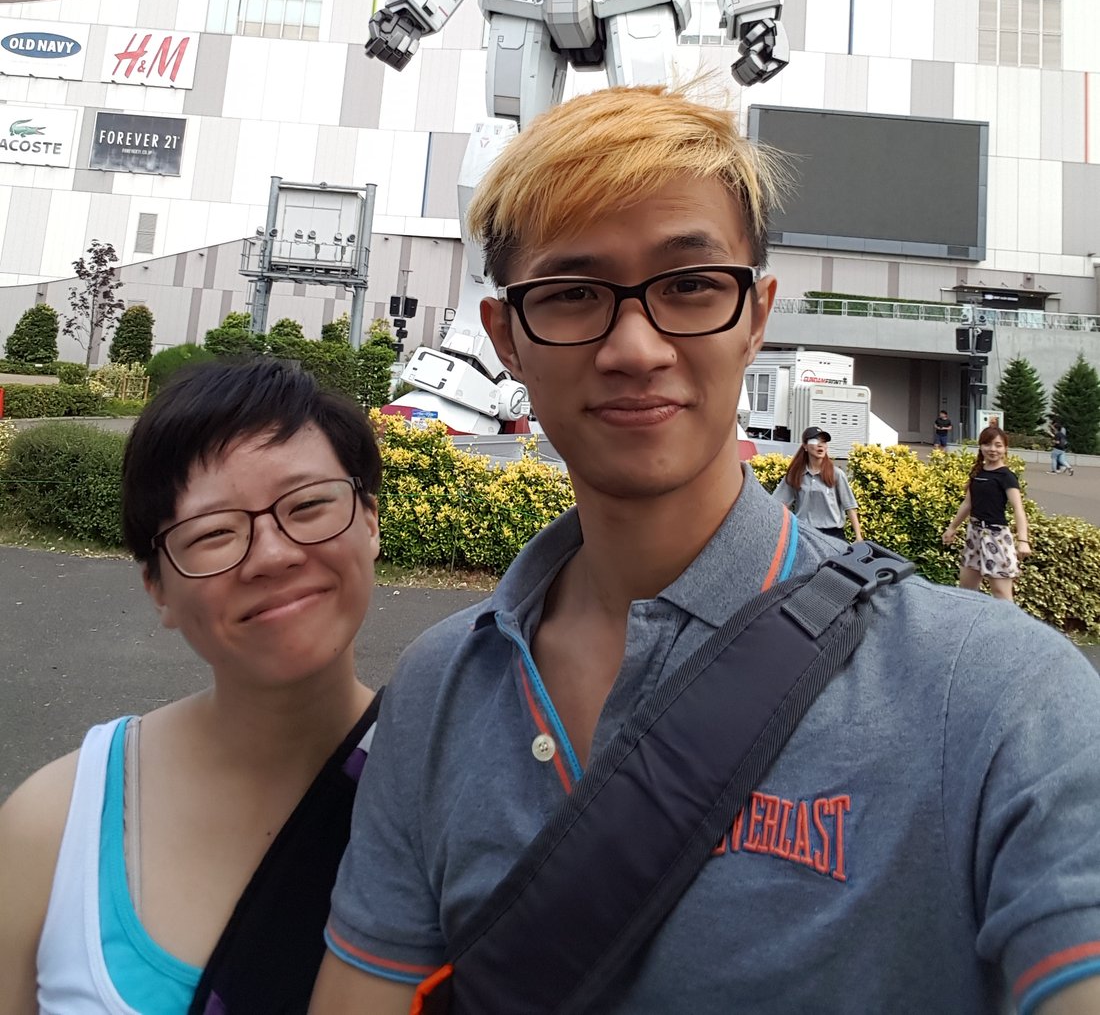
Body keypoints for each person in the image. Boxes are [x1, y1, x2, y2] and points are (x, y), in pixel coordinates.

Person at [310, 86, 1100, 1015]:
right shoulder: (438, 691)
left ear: (756, 315)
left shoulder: (995, 694)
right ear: (506, 339)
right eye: (572, 294)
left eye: (689, 285)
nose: (636, 347)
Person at [0, 357, 383, 1015]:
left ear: (370, 522)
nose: (273, 554)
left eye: (309, 505)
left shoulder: (454, 791)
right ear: (158, 588)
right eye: (214, 533)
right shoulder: (53, 827)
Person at [942, 424, 1031, 603]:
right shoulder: (977, 473)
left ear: (1005, 449)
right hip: (974, 534)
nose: (992, 449)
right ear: (981, 447)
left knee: (1001, 594)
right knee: (967, 592)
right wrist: (952, 528)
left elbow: (1018, 509)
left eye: (998, 445)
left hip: (996, 536)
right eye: (987, 444)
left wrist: (1023, 541)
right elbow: (967, 504)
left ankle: (1009, 622)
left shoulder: (1006, 476)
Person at [771, 426, 863, 542]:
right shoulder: (796, 474)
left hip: (833, 536)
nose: (820, 445)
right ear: (805, 446)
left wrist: (858, 536)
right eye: (814, 441)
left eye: (824, 442)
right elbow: (779, 504)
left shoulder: (836, 474)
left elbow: (850, 506)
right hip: (805, 535)